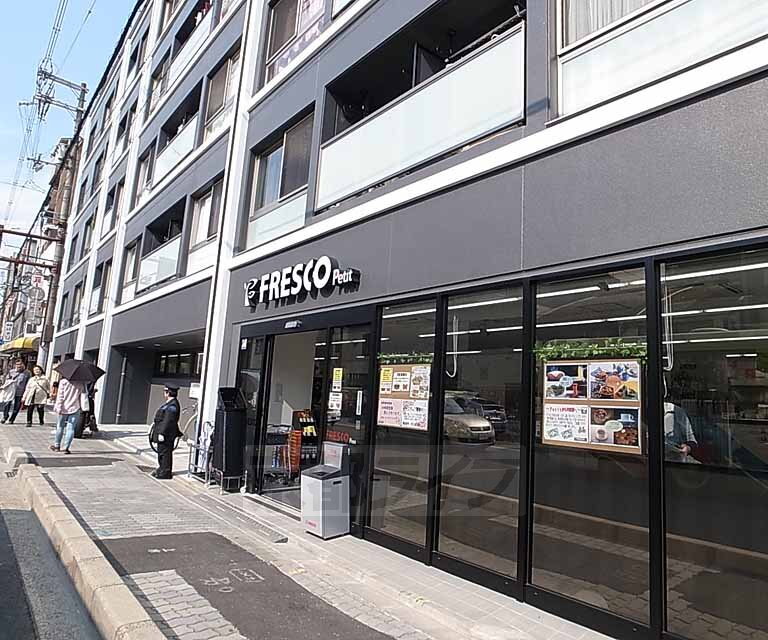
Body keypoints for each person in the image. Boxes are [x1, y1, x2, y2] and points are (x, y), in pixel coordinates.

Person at [150, 385, 181, 479]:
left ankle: (165, 472)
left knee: (165, 453)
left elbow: (168, 421)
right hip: (163, 433)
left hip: (167, 435)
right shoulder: (169, 404)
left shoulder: (173, 405)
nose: (164, 394)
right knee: (161, 452)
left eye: (165, 392)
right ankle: (161, 469)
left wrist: (162, 433)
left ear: (168, 393)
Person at [50, 377, 86, 454]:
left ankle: (57, 446)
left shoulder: (63, 382)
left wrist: (58, 407)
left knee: (60, 426)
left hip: (63, 408)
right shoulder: (81, 383)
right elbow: (82, 396)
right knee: (71, 428)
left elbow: (60, 396)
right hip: (75, 407)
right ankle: (66, 448)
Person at [2, 359, 31, 424]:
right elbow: (6, 379)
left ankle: (12, 419)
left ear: (23, 364)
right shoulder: (11, 371)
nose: (19, 366)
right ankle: (5, 416)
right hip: (11, 391)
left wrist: (26, 393)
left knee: (17, 406)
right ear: (15, 365)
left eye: (20, 364)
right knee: (7, 404)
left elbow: (28, 383)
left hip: (20, 392)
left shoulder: (27, 373)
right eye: (17, 364)